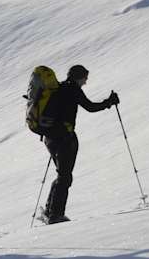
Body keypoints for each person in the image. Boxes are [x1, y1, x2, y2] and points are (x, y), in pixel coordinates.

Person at [37, 65, 118, 224]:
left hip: (50, 137)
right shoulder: (73, 89)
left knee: (62, 174)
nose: (86, 82)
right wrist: (109, 102)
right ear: (78, 77)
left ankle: (50, 211)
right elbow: (90, 107)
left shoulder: (58, 88)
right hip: (65, 138)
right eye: (85, 78)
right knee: (65, 176)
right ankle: (56, 215)